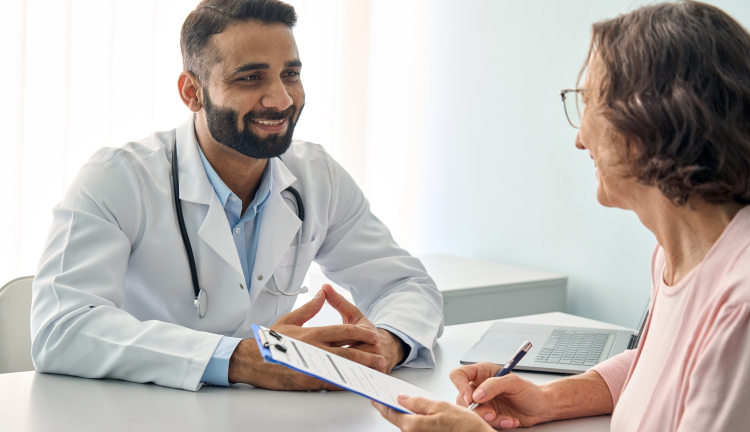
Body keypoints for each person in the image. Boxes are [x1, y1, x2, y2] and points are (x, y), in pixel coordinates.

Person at [372, 1, 750, 430]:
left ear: (649, 121)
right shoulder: (680, 257)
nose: (580, 139)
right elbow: (668, 368)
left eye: (589, 102)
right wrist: (550, 399)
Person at [30, 0, 444, 392]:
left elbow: (406, 284)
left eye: (291, 74)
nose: (282, 99)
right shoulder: (118, 179)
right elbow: (61, 328)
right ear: (192, 92)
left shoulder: (317, 176)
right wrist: (241, 359)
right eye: (250, 77)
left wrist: (388, 342)